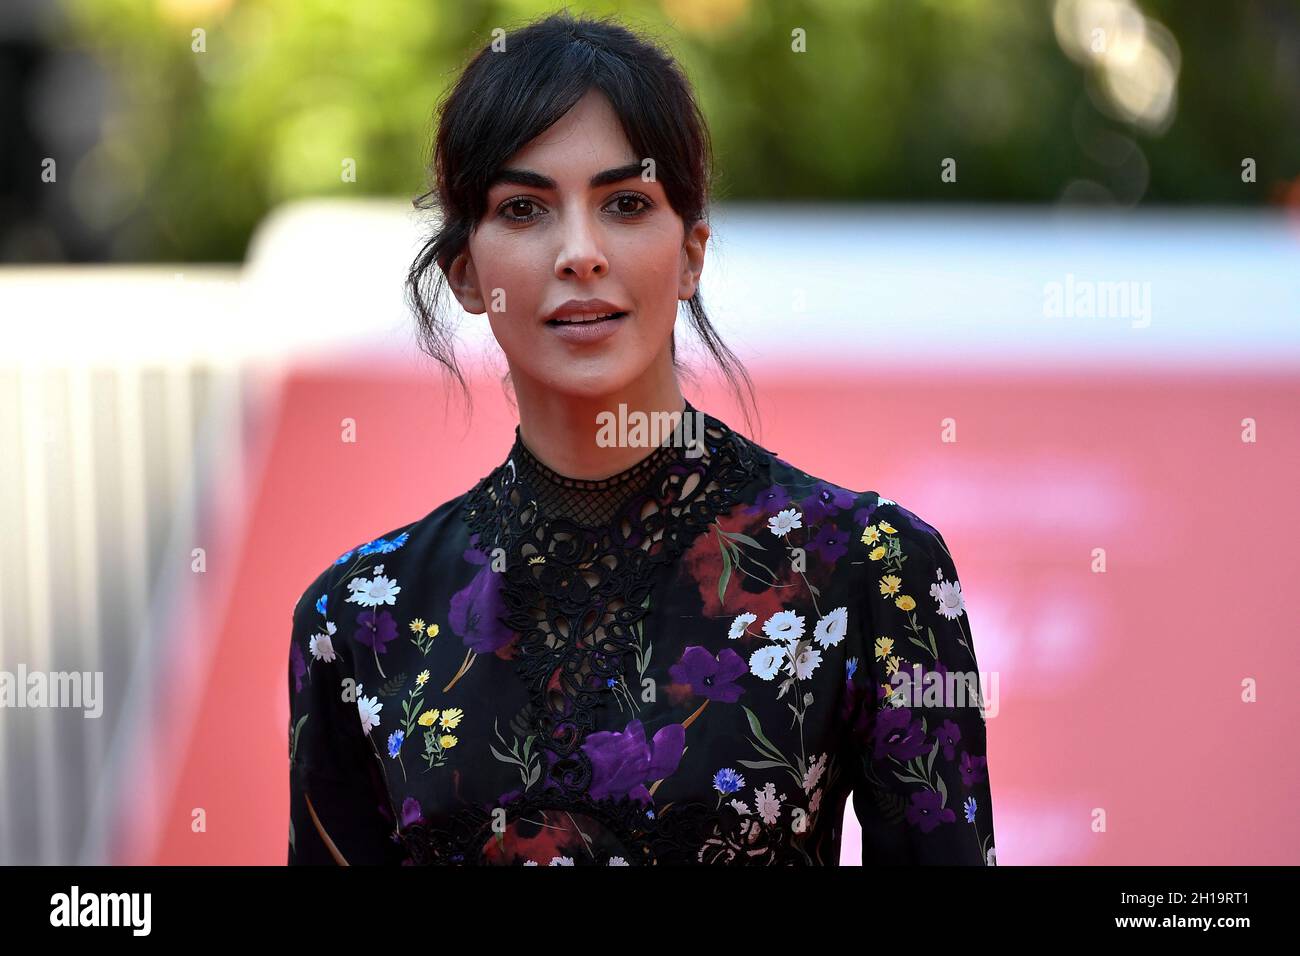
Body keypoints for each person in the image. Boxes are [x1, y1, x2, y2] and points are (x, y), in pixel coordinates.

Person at [287, 11, 996, 866]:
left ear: (691, 254)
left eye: (626, 204)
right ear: (466, 273)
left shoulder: (867, 569)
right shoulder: (359, 617)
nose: (580, 253)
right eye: (523, 208)